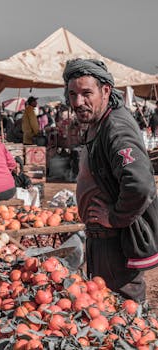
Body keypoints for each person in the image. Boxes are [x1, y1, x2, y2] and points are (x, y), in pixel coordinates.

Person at [63, 58, 158, 301]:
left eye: (86, 93)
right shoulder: (99, 122)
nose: (78, 102)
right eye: (72, 94)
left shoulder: (116, 127)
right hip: (102, 241)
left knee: (122, 312)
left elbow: (140, 184)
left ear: (105, 90)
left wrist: (114, 217)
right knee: (104, 308)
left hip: (115, 243)